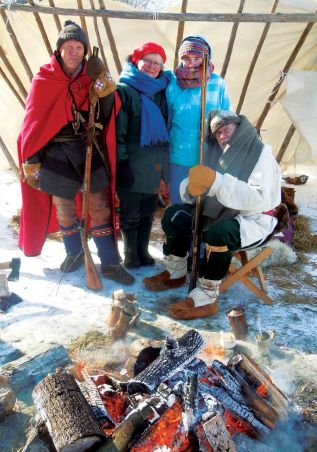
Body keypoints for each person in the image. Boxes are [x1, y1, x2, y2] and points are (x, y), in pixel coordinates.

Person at [18, 20, 133, 285]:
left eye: (78, 46)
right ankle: (74, 253)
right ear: (59, 50)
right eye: (68, 46)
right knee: (64, 210)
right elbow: (33, 123)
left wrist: (104, 85)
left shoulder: (91, 76)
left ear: (84, 50)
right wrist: (32, 159)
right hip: (56, 153)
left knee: (100, 208)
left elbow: (107, 114)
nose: (74, 51)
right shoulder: (44, 79)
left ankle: (110, 264)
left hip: (87, 148)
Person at [143, 110, 281, 320]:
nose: (222, 137)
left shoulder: (260, 154)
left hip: (252, 219)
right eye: (217, 134)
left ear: (239, 128)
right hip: (214, 212)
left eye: (225, 130)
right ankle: (176, 273)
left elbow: (257, 198)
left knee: (219, 232)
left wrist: (216, 182)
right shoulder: (215, 152)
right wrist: (191, 189)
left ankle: (206, 296)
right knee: (174, 215)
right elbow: (199, 183)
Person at [115, 42, 171, 268]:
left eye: (157, 63)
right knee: (130, 213)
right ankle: (130, 254)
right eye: (147, 60)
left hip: (154, 163)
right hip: (132, 161)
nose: (151, 66)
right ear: (136, 60)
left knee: (148, 212)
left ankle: (143, 251)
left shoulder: (162, 90)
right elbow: (118, 132)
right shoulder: (125, 90)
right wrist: (122, 164)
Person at [167, 35, 232, 204]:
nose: (192, 63)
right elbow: (167, 119)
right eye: (187, 58)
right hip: (179, 156)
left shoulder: (217, 84)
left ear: (206, 58)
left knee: (205, 207)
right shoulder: (172, 85)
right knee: (179, 204)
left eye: (197, 58)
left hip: (209, 156)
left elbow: (228, 118)